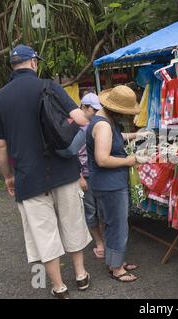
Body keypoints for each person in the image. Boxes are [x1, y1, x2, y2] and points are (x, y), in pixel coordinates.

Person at [0, 44, 92, 299]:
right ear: (33, 62)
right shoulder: (50, 86)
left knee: (42, 233)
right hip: (64, 170)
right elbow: (80, 119)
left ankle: (59, 287)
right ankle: (80, 275)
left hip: (28, 177)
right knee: (72, 221)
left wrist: (8, 177)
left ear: (12, 66)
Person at [86, 85, 152, 283]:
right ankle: (116, 269)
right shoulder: (104, 125)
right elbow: (103, 159)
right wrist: (130, 161)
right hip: (110, 184)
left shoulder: (104, 120)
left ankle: (116, 262)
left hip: (106, 183)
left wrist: (136, 135)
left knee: (114, 224)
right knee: (118, 225)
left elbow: (115, 139)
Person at [77, 93, 105, 259]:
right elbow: (72, 155)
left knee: (102, 209)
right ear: (84, 108)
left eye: (97, 110)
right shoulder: (76, 128)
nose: (95, 113)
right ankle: (99, 242)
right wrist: (79, 177)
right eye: (93, 109)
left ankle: (104, 241)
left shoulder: (98, 125)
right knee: (91, 210)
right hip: (86, 176)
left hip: (99, 173)